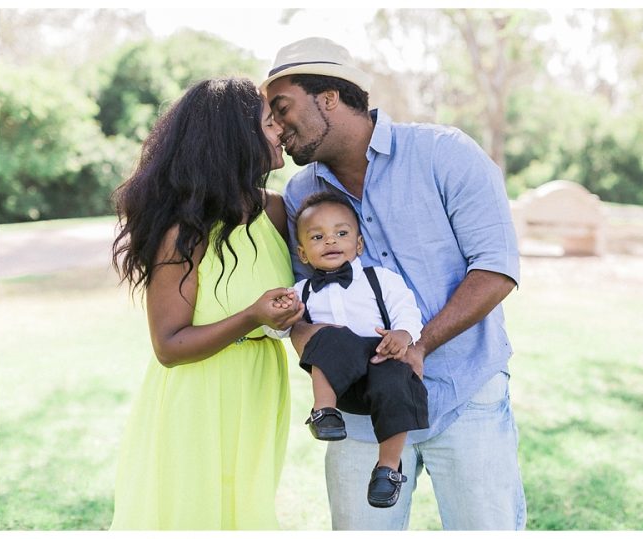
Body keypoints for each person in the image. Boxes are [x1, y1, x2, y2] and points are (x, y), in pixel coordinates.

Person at [262, 37, 527, 530]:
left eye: (282, 108)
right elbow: (308, 302)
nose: (275, 127)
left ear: (328, 98)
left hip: (465, 394)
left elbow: (495, 268)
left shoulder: (444, 154)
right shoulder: (300, 194)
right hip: (360, 414)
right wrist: (316, 347)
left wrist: (419, 345)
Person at [109, 77, 304, 530]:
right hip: (197, 398)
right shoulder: (185, 231)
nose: (279, 128)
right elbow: (169, 345)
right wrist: (252, 316)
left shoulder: (276, 211)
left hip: (257, 389)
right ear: (235, 136)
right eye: (268, 120)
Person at [288, 191, 427, 508]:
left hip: (381, 360)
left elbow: (406, 309)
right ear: (303, 253)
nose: (331, 241)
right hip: (339, 383)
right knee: (328, 337)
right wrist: (281, 316)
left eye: (341, 233)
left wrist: (403, 335)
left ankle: (388, 468)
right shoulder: (302, 292)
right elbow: (280, 327)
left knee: (396, 376)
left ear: (359, 244)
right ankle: (325, 412)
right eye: (318, 237)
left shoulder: (379, 278)